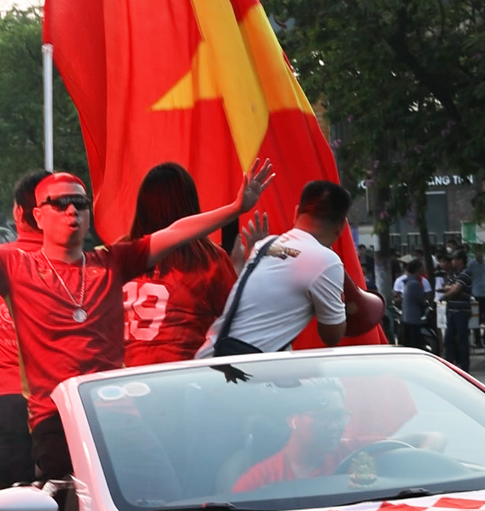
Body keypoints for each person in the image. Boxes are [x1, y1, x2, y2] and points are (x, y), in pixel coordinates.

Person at [0, 160, 275, 480]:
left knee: (159, 488)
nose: (71, 211)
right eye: (58, 204)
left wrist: (237, 207)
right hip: (56, 421)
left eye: (79, 202)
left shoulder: (113, 261)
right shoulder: (13, 265)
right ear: (37, 216)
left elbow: (176, 231)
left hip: (122, 417)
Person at [194, 181, 351, 359]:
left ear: (296, 212)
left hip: (209, 357)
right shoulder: (326, 261)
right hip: (240, 371)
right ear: (342, 226)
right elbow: (332, 335)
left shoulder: (264, 246)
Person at [122, 163, 239, 366]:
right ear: (189, 205)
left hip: (127, 377)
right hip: (183, 376)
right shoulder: (208, 258)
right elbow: (235, 321)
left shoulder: (120, 253)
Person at [231, 380, 445, 489]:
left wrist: (420, 467)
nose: (335, 426)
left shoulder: (353, 450)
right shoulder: (258, 481)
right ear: (293, 419)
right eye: (324, 418)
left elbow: (433, 438)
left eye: (340, 416)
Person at [0, 169, 50, 489]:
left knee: (13, 495)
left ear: (19, 212)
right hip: (58, 404)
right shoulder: (83, 264)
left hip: (5, 400)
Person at [441, 250, 473, 372]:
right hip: (452, 310)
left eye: (455, 259)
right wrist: (451, 288)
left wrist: (447, 294)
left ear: (460, 260)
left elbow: (456, 290)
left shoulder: (466, 273)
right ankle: (450, 364)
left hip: (461, 311)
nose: (452, 262)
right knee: (449, 339)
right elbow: (448, 287)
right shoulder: (454, 274)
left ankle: (464, 366)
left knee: (462, 339)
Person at [467, 247, 485, 347]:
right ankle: (477, 341)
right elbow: (468, 277)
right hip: (476, 294)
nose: (480, 256)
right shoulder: (471, 265)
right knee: (475, 319)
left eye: (481, 254)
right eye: (478, 253)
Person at [400, 260, 427, 351]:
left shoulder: (408, 281)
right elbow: (421, 300)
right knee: (415, 344)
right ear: (418, 269)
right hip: (413, 319)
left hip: (406, 317)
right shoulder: (414, 284)